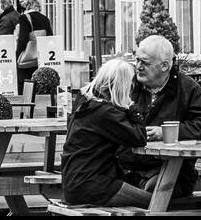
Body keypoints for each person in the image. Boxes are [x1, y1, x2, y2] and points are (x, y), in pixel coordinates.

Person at [117, 34, 201, 205]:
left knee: (156, 191)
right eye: (137, 60)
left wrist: (165, 132)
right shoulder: (127, 85)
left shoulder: (186, 88)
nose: (138, 67)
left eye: (145, 62)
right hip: (125, 169)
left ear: (165, 65)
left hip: (171, 171)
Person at [59, 58, 152, 209]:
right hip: (95, 186)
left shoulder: (85, 104)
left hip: (74, 184)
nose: (132, 89)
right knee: (157, 204)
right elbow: (139, 137)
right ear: (122, 85)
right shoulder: (104, 112)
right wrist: (131, 107)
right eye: (130, 85)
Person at [13, 0, 53, 91]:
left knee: (26, 89)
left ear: (27, 3)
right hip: (42, 59)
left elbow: (22, 40)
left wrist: (16, 56)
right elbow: (50, 38)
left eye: (21, 2)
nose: (20, 4)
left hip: (27, 61)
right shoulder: (45, 18)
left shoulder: (24, 18)